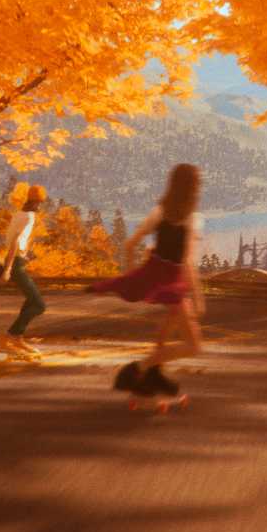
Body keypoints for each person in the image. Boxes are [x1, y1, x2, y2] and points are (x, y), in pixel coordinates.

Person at [90, 162, 206, 398]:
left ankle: (154, 375)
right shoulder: (192, 220)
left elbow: (130, 245)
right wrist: (198, 297)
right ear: (192, 188)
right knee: (194, 346)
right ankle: (136, 369)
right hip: (176, 287)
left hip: (161, 283)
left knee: (165, 335)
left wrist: (137, 276)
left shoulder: (159, 213)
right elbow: (187, 262)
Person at [2, 184, 52, 337]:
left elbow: (14, 238)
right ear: (36, 202)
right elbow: (16, 240)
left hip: (16, 260)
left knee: (31, 300)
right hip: (15, 263)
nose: (40, 206)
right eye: (40, 203)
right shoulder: (29, 217)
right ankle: (14, 334)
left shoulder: (18, 214)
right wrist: (8, 269)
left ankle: (17, 334)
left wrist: (23, 254)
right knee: (39, 305)